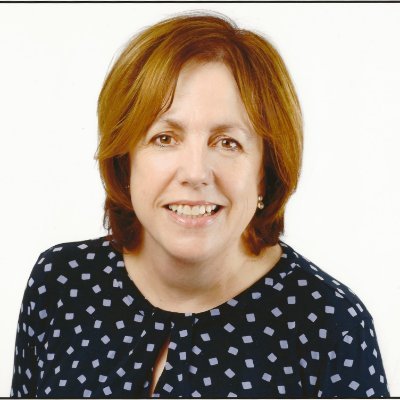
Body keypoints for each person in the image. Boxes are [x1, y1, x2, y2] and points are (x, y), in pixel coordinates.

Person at [11, 12, 389, 398]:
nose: (195, 173)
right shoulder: (61, 283)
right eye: (164, 138)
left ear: (265, 173)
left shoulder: (331, 328)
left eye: (227, 143)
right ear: (125, 161)